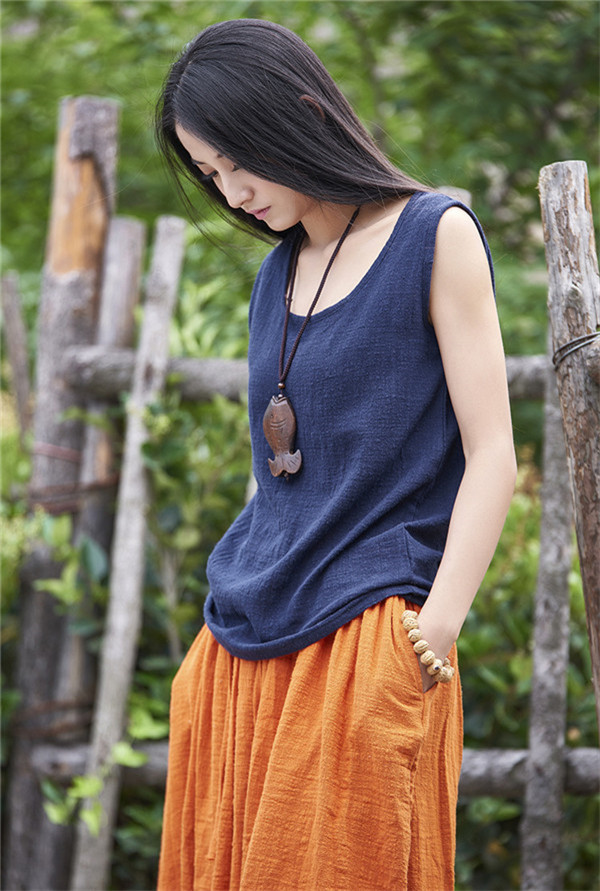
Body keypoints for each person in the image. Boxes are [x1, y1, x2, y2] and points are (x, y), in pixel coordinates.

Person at [154, 18, 516, 891]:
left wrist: (433, 631)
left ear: (300, 114)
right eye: (210, 174)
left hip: (365, 639)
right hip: (241, 645)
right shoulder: (275, 274)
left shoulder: (434, 233)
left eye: (236, 162)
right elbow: (278, 477)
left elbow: (494, 452)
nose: (232, 192)